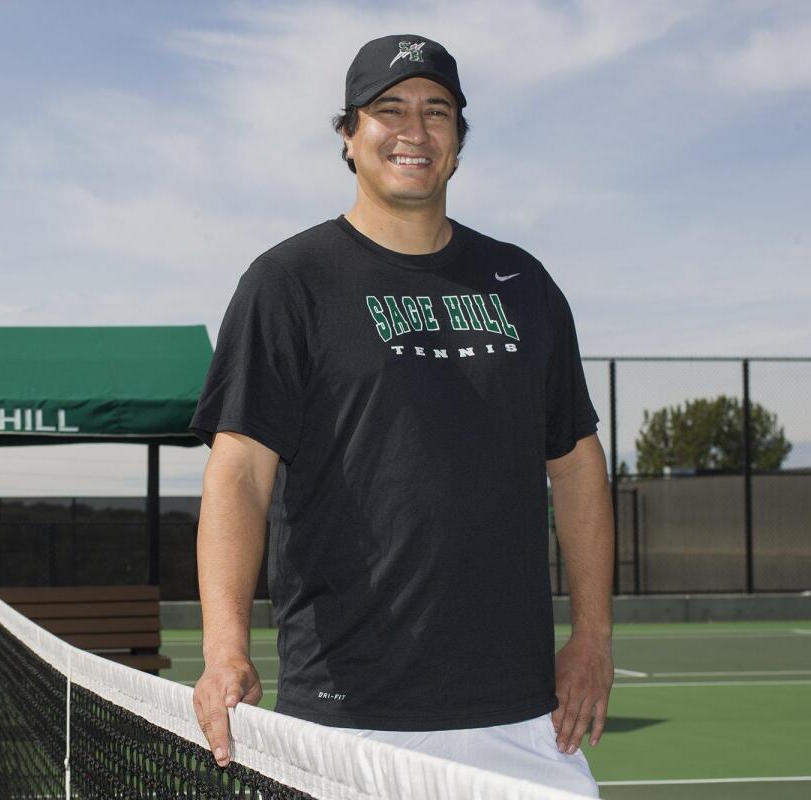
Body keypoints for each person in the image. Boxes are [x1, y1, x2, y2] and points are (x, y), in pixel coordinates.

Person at [188, 34, 614, 797]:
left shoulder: (525, 283)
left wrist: (593, 635)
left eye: (437, 112)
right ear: (350, 137)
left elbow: (577, 462)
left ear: (457, 143)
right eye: (389, 111)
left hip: (521, 719)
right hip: (349, 717)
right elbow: (239, 473)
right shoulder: (287, 282)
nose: (414, 131)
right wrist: (225, 646)